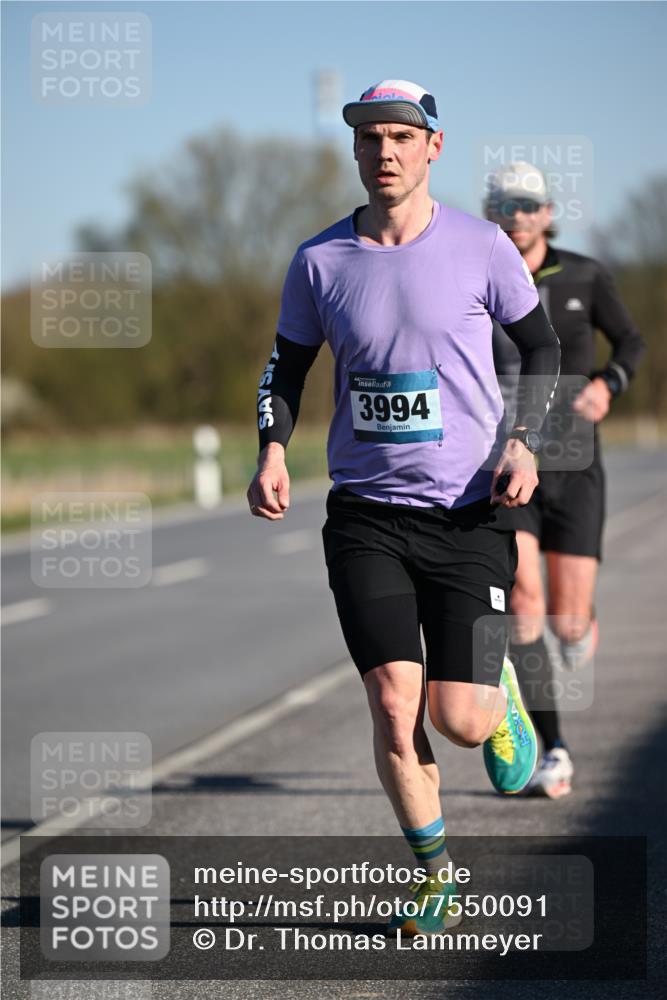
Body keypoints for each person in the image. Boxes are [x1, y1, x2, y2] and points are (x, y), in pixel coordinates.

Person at [247, 81, 560, 936]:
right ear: (354, 152)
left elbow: (539, 345)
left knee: (456, 721)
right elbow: (286, 368)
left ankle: (495, 690)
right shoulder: (319, 261)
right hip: (366, 517)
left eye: (398, 136)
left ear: (433, 147)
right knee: (392, 704)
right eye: (368, 138)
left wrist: (524, 438)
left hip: (468, 514)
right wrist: (271, 449)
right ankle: (434, 874)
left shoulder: (482, 246)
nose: (382, 150)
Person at [485, 162, 645, 798]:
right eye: (504, 203)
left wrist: (610, 384)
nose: (517, 214)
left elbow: (630, 340)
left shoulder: (585, 274)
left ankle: (580, 625)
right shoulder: (477, 274)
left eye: (529, 204)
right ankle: (552, 747)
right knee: (524, 604)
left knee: (567, 621)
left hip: (576, 467)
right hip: (506, 465)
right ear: (492, 210)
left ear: (547, 212)